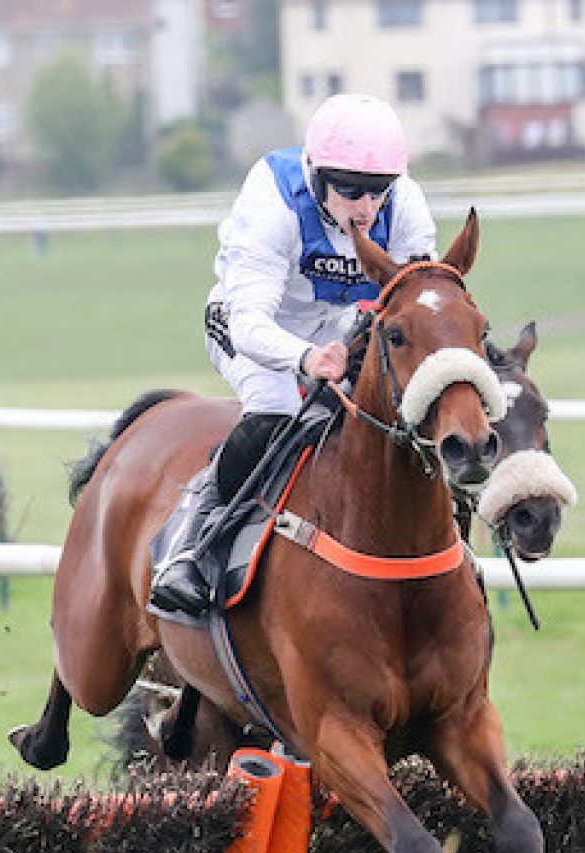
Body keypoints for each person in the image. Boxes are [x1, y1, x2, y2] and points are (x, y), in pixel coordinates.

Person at [148, 93, 440, 615]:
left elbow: (420, 299)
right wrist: (307, 359)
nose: (367, 208)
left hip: (342, 328)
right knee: (276, 412)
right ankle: (192, 542)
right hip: (253, 326)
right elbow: (250, 322)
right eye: (350, 191)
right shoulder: (273, 200)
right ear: (316, 173)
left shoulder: (406, 205)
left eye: (378, 191)